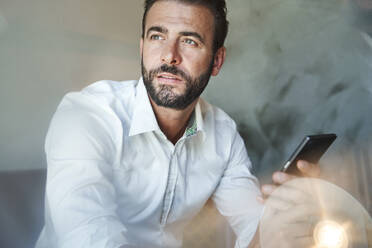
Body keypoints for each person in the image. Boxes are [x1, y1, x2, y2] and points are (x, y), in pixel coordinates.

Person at [35, 0, 318, 247]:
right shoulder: (85, 115)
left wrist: (282, 223)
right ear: (143, 46)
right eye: (158, 36)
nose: (169, 55)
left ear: (216, 61)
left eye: (189, 41)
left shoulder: (223, 133)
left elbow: (254, 232)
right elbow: (86, 236)